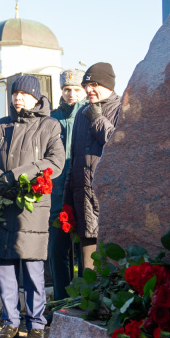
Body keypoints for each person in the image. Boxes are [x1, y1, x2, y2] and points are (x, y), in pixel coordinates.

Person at [0, 75, 65, 338]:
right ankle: (10, 322)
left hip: (32, 206)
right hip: (3, 204)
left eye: (24, 94)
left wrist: (15, 175)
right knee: (5, 266)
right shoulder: (0, 125)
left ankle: (36, 324)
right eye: (15, 94)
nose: (18, 98)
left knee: (32, 266)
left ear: (36, 97)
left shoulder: (50, 126)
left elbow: (55, 162)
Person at [63, 62, 121, 270]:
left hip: (110, 202)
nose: (88, 90)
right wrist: (68, 200)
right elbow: (75, 158)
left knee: (111, 271)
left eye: (94, 84)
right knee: (87, 272)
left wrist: (97, 118)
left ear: (108, 84)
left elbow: (117, 145)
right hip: (83, 202)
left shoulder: (124, 108)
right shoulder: (82, 112)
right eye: (86, 85)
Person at [47, 69, 86, 301]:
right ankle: (60, 302)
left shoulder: (91, 115)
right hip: (57, 195)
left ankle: (83, 301)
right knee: (57, 251)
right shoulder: (51, 119)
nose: (71, 94)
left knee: (85, 253)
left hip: (82, 193)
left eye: (76, 89)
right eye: (67, 89)